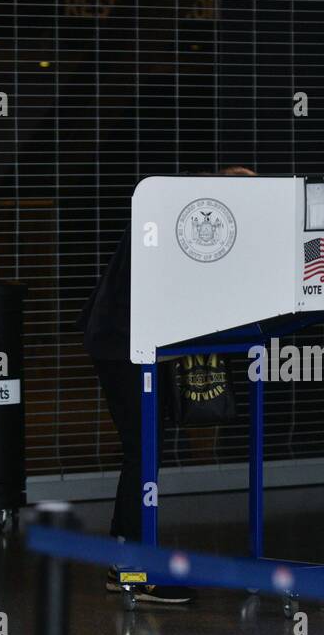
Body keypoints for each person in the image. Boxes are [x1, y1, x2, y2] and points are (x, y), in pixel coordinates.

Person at [77, 165, 256, 605]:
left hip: (122, 338)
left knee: (143, 448)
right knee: (144, 448)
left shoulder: (180, 214)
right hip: (124, 343)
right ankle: (131, 568)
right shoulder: (188, 225)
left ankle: (126, 560)